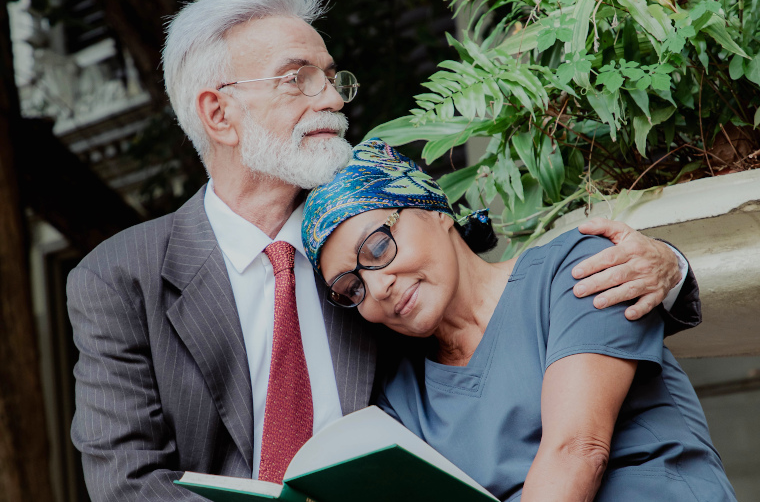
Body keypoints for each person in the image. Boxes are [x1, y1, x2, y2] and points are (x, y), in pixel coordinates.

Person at [67, 0, 697, 500]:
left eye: (333, 76)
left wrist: (670, 265)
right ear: (220, 114)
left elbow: (500, 297)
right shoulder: (119, 279)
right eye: (298, 79)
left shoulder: (356, 236)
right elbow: (127, 483)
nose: (335, 98)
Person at [301, 138, 736, 502]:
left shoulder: (574, 271)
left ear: (433, 207)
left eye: (377, 248)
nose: (377, 289)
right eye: (351, 290)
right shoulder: (401, 396)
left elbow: (577, 450)